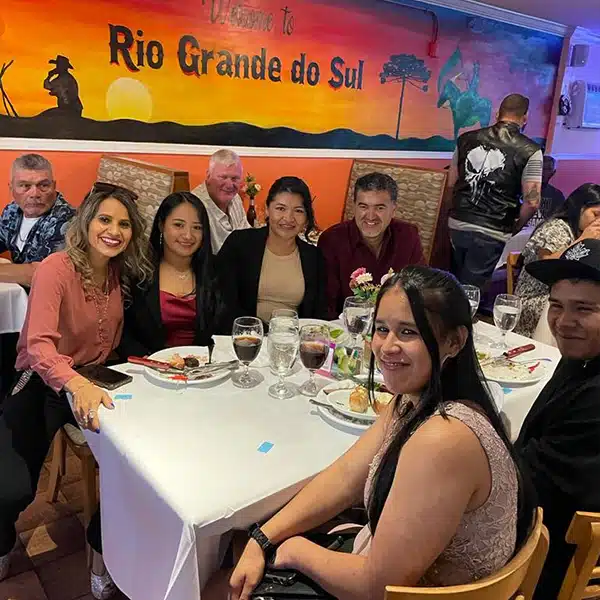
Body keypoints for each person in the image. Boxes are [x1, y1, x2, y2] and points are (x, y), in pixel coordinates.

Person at [203, 266, 535, 600]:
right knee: (241, 548)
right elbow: (347, 476)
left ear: (455, 341)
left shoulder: (444, 439)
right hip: (395, 572)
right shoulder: (414, 400)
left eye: (408, 332)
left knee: (219, 584)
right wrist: (265, 538)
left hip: (399, 593)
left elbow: (376, 588)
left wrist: (294, 551)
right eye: (381, 329)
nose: (388, 346)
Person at [0, 184, 152, 599]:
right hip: (45, 380)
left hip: (96, 378)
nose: (114, 231)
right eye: (105, 219)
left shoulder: (121, 274)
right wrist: (75, 382)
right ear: (86, 222)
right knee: (11, 488)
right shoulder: (56, 267)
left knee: (141, 466)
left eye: (124, 224)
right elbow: (39, 346)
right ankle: (1, 539)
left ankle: (104, 554)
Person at [516, 238, 600, 599]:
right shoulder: (582, 357)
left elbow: (530, 487)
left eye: (583, 308)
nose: (563, 322)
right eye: (556, 305)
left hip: (550, 559)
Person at [117, 191, 231, 359]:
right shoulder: (139, 271)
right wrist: (154, 364)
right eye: (178, 225)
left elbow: (225, 330)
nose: (188, 235)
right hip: (149, 370)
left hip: (206, 371)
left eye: (197, 228)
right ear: (162, 226)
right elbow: (123, 333)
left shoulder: (217, 270)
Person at [447, 93, 543, 287]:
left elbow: (451, 183)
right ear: (525, 118)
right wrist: (517, 226)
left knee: (452, 283)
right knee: (470, 291)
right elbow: (532, 201)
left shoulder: (466, 139)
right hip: (493, 228)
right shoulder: (531, 151)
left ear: (497, 113)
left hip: (458, 222)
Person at [217, 176, 327, 323]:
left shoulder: (314, 257)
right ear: (267, 210)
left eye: (298, 211)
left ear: (307, 217)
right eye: (280, 208)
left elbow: (316, 313)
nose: (288, 218)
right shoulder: (240, 243)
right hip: (244, 336)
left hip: (292, 338)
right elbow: (222, 301)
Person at [318, 172, 425, 319]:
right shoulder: (332, 240)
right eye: (363, 206)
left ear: (393, 209)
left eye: (380, 208)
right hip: (347, 329)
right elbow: (326, 305)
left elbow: (420, 292)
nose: (370, 216)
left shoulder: (408, 236)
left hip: (396, 325)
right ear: (354, 206)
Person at [515, 183, 600, 337]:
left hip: (572, 295)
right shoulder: (556, 227)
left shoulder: (584, 232)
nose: (598, 221)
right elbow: (547, 261)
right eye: (596, 214)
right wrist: (583, 241)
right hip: (537, 299)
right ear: (578, 208)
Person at [0, 153, 75, 286]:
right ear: (11, 188)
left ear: (54, 186)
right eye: (25, 186)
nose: (34, 194)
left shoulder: (66, 220)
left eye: (43, 186)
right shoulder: (12, 211)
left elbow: (41, 273)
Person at [191, 149, 250, 253]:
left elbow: (246, 235)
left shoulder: (235, 198)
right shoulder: (194, 206)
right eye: (223, 177)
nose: (229, 185)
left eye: (235, 178)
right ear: (208, 175)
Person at [526, 155, 565, 228]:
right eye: (542, 168)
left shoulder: (557, 195)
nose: (544, 172)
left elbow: (558, 220)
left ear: (553, 172)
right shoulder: (523, 189)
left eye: (548, 169)